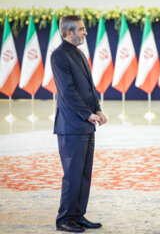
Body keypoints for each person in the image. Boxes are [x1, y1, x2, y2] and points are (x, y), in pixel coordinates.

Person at [51, 15, 107, 233]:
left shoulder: (80, 54)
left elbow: (90, 89)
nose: (85, 32)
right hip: (71, 126)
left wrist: (98, 109)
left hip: (85, 124)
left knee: (84, 174)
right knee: (72, 174)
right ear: (68, 32)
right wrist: (87, 114)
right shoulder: (59, 56)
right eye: (81, 29)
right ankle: (64, 219)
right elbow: (67, 91)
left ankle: (78, 215)